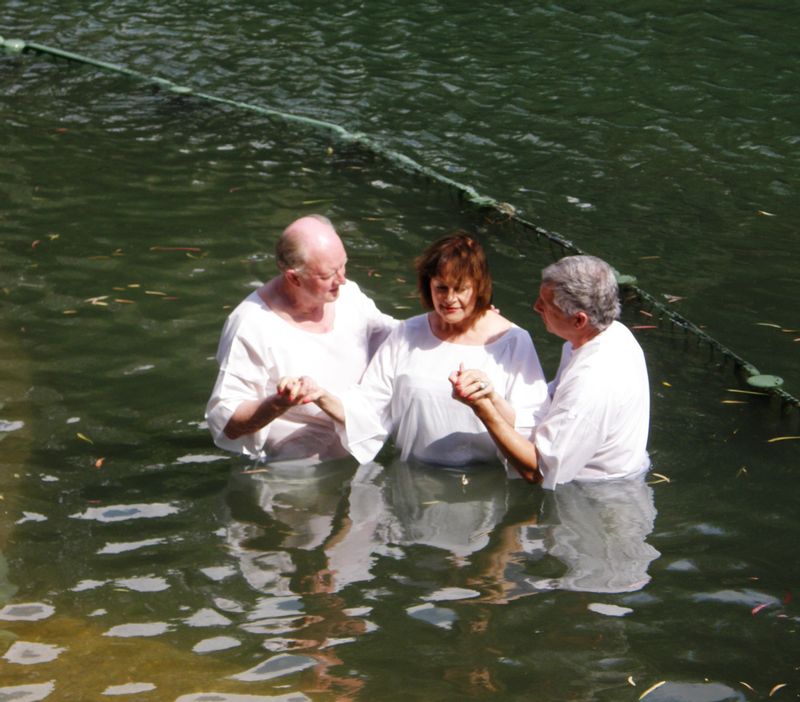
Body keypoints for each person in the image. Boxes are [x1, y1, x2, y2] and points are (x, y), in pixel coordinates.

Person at [310, 233, 549, 468]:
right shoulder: (407, 334)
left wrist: (489, 401)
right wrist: (320, 396)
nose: (449, 299)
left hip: (487, 485)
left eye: (460, 289)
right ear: (428, 285)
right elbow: (368, 410)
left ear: (478, 287)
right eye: (441, 288)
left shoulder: (513, 341)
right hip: (414, 477)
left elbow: (531, 429)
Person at [205, 214, 396, 462]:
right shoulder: (251, 325)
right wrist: (278, 403)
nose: (342, 279)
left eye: (343, 266)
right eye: (328, 275)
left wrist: (448, 326)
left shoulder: (349, 295)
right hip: (296, 471)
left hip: (363, 446)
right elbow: (226, 423)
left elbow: (396, 341)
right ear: (294, 277)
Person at [452, 254, 650, 489]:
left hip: (596, 497)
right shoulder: (608, 334)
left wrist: (483, 410)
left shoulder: (592, 380)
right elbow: (547, 411)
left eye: (546, 305)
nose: (535, 307)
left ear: (579, 320)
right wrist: (490, 397)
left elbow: (539, 471)